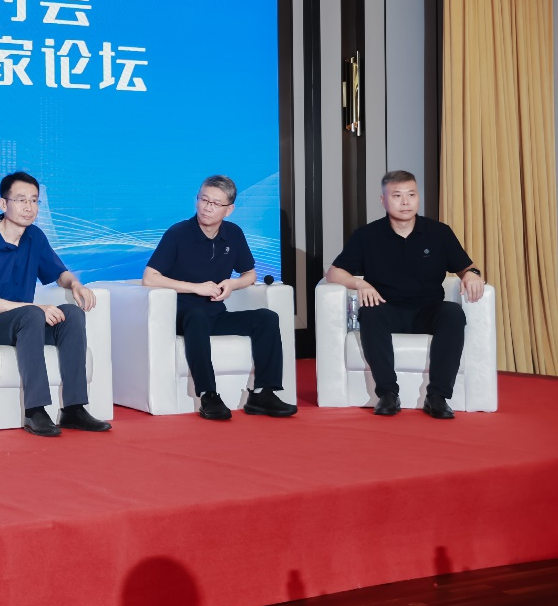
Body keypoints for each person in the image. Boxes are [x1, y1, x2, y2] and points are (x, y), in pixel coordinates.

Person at [0, 171, 112, 437]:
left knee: (72, 315)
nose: (29, 207)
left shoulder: (35, 237)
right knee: (31, 313)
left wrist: (75, 284)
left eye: (34, 200)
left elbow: (58, 273)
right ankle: (35, 411)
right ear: (3, 203)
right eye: (21, 200)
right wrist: (33, 309)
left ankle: (74, 408)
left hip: (26, 324)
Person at [326, 170, 484, 419]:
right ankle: (388, 394)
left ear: (418, 197)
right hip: (386, 308)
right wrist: (359, 284)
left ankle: (438, 397)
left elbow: (466, 266)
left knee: (453, 313)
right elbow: (334, 273)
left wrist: (472, 274)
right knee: (370, 312)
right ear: (383, 200)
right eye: (397, 195)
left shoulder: (439, 232)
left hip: (428, 310)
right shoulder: (367, 235)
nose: (405, 202)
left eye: (411, 194)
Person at [143, 175, 296, 421]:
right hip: (183, 316)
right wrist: (196, 288)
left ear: (229, 209)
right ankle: (208, 395)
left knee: (266, 318)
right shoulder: (178, 233)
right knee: (197, 315)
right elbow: (150, 278)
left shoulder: (233, 234)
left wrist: (232, 284)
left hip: (215, 314)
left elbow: (250, 274)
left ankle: (263, 393)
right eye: (203, 200)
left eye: (215, 203)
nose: (207, 207)